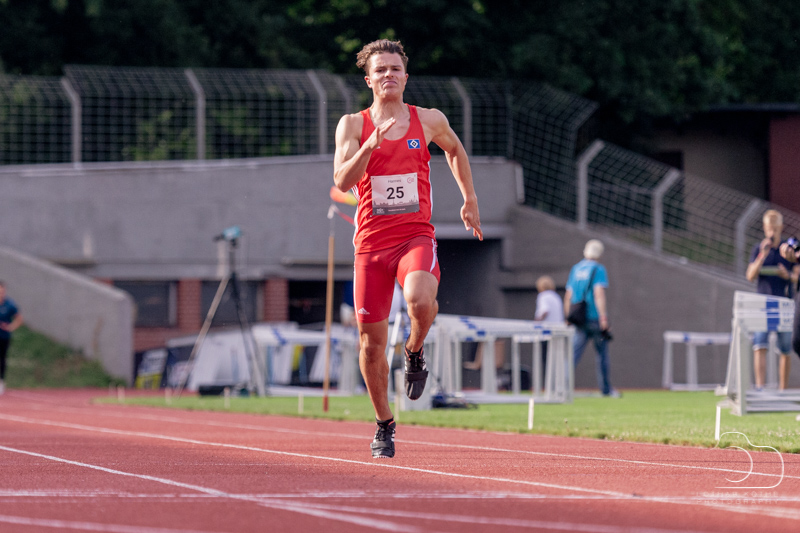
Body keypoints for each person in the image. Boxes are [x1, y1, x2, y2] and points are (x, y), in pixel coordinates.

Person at [333, 39, 483, 458]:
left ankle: (414, 350)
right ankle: (384, 423)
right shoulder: (353, 125)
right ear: (369, 80)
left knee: (419, 300)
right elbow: (342, 181)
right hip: (370, 246)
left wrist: (469, 197)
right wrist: (369, 147)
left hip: (415, 235)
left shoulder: (429, 119)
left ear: (405, 76)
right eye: (380, 70)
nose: (388, 75)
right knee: (370, 345)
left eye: (395, 69)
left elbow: (455, 149)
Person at [746, 209, 798, 390]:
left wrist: (787, 275)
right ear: (764, 227)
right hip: (763, 305)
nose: (772, 232)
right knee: (760, 345)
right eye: (769, 228)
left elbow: (797, 275)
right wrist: (762, 255)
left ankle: (783, 390)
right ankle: (761, 389)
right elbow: (750, 275)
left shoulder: (787, 249)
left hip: (784, 303)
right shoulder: (759, 249)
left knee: (785, 348)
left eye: (775, 229)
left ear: (781, 227)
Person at [564, 240, 619, 397]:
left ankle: (563, 387)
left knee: (572, 355)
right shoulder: (598, 269)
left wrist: (568, 317)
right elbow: (598, 293)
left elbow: (568, 295)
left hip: (579, 319)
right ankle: (606, 390)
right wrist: (603, 318)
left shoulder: (576, 269)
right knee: (602, 355)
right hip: (594, 318)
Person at [0, 281, 23, 395]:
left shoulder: (9, 304)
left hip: (4, 337)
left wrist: (10, 327)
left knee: (2, 358)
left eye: (2, 291)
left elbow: (19, 319)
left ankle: (1, 381)